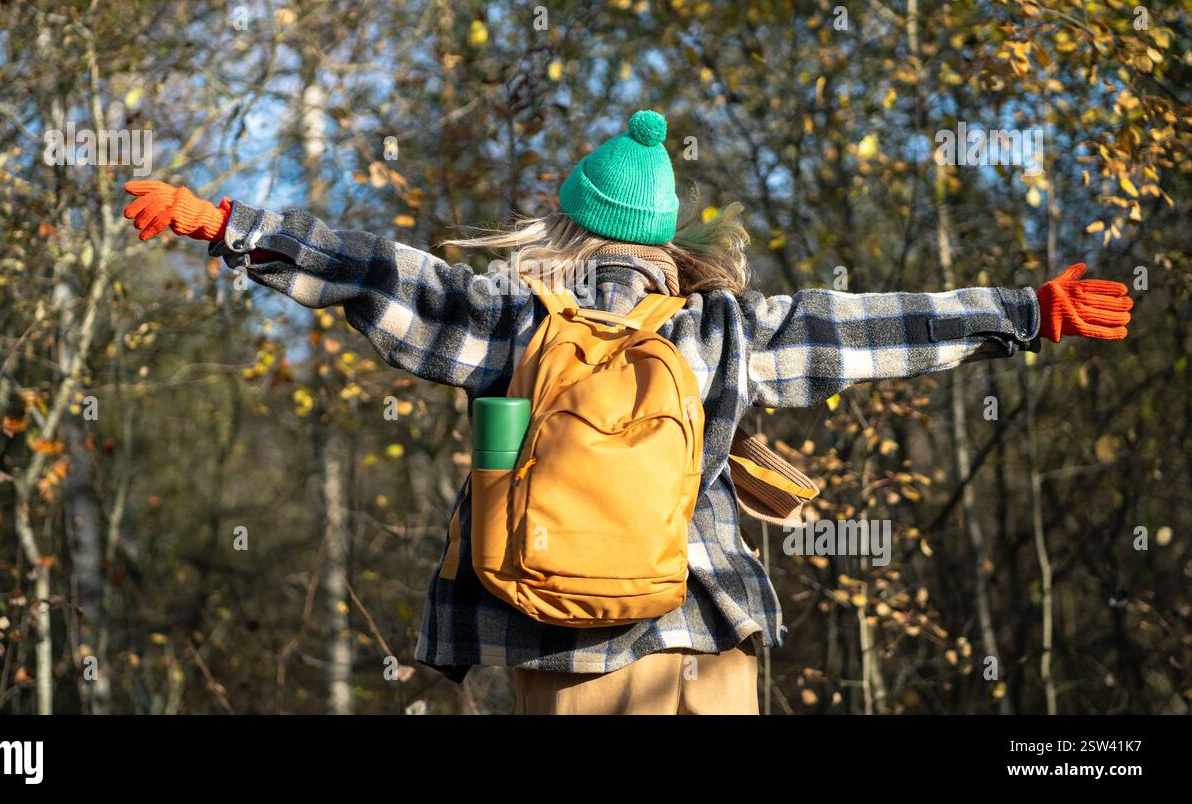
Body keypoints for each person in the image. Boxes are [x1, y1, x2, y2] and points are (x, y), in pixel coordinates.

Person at [123, 109, 1132, 714]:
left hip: (557, 648)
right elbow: (862, 326)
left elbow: (380, 276)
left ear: (556, 224)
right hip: (708, 642)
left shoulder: (510, 318)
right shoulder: (726, 328)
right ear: (663, 241)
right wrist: (1024, 312)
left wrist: (229, 224)